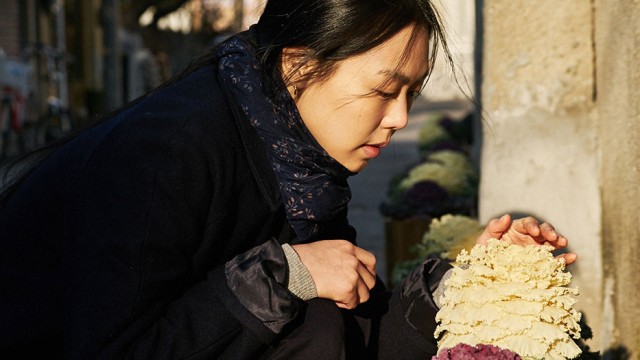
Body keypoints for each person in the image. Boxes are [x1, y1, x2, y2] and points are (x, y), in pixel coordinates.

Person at [0, 0, 577, 359]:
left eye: (412, 94)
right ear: (299, 65)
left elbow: (360, 337)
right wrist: (286, 275)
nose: (400, 118)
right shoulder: (166, 157)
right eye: (384, 90)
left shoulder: (301, 169)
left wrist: (469, 284)